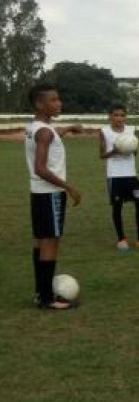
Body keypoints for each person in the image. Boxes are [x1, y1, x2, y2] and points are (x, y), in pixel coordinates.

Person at [25, 83, 83, 310]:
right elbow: (40, 167)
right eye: (53, 100)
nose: (59, 103)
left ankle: (41, 293)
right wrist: (68, 186)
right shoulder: (45, 132)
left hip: (38, 194)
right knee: (50, 242)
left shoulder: (37, 127)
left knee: (41, 241)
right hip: (50, 195)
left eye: (58, 99)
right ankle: (47, 298)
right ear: (40, 104)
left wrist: (67, 128)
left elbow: (50, 135)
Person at [99, 104, 139, 251]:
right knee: (117, 207)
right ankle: (121, 239)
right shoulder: (104, 132)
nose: (119, 118)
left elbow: (135, 152)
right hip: (114, 175)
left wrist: (131, 147)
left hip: (131, 174)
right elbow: (102, 155)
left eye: (122, 115)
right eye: (116, 115)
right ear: (110, 116)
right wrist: (115, 150)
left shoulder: (131, 130)